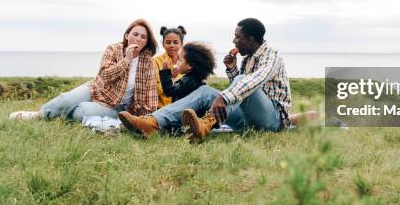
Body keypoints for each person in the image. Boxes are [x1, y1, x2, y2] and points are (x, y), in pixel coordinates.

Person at [118, 18, 291, 141]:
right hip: (247, 120)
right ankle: (152, 122)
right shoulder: (248, 59)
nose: (234, 40)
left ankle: (206, 123)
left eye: (238, 37)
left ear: (250, 39)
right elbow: (241, 93)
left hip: (272, 120)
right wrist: (232, 69)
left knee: (241, 80)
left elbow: (254, 82)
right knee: (205, 92)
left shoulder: (271, 56)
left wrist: (223, 96)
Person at [9, 19, 159, 121]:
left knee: (82, 111)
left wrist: (144, 120)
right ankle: (39, 115)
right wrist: (126, 60)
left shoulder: (148, 64)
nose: (138, 38)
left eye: (143, 37)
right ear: (127, 36)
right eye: (135, 34)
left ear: (146, 42)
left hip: (115, 106)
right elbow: (105, 76)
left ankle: (57, 116)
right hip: (96, 89)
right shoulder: (113, 49)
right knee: (66, 99)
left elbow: (151, 96)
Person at [120, 41, 216, 132]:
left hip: (182, 120)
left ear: (190, 65)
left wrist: (165, 72)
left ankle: (148, 124)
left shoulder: (189, 80)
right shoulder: (197, 79)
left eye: (180, 60)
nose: (177, 62)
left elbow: (169, 91)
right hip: (188, 118)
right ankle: (147, 124)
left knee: (168, 126)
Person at [154, 26, 186, 108]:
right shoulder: (156, 62)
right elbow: (155, 89)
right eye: (168, 42)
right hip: (160, 108)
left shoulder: (186, 63)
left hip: (181, 108)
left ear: (181, 44)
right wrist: (171, 78)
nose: (172, 45)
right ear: (163, 44)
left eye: (175, 42)